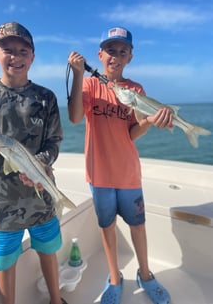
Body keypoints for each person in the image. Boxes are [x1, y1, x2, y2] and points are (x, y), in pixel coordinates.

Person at [67, 26, 172, 304]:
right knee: (107, 227)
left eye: (122, 51)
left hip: (128, 174)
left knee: (138, 226)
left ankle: (146, 274)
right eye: (110, 50)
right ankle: (115, 277)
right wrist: (78, 74)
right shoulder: (90, 85)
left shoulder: (136, 89)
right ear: (100, 55)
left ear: (130, 57)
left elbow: (132, 132)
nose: (116, 55)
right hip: (99, 175)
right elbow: (76, 117)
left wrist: (150, 121)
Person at [0, 21, 68, 304]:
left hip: (41, 193)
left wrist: (41, 162)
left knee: (48, 250)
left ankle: (56, 299)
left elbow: (54, 141)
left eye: (23, 50)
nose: (16, 56)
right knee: (4, 262)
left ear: (33, 56)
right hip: (2, 202)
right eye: (8, 50)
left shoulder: (46, 97)